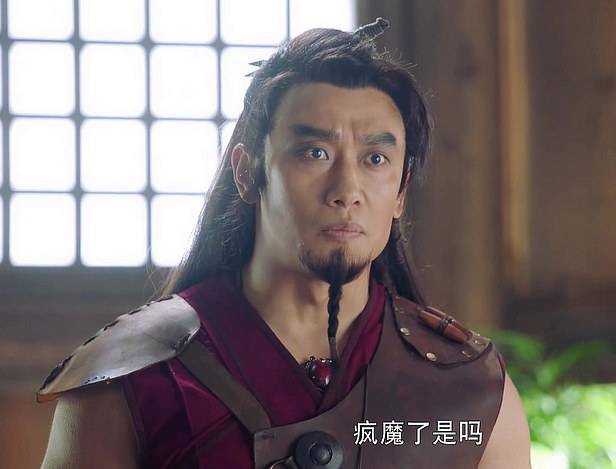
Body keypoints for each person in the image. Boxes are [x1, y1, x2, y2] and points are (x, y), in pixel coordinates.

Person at [38, 18, 531, 468]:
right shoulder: (132, 376)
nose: (347, 191)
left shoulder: (470, 385)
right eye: (314, 152)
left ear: (401, 191)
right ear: (248, 173)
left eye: (375, 160)